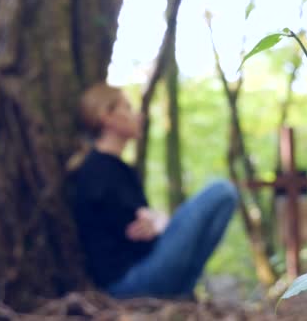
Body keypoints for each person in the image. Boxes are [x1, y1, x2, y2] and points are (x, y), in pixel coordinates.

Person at [66, 82, 239, 300]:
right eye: (127, 108)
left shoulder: (119, 169)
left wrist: (159, 222)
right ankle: (181, 294)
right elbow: (137, 232)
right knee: (221, 191)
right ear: (106, 117)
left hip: (138, 275)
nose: (137, 115)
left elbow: (146, 225)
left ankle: (183, 295)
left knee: (225, 196)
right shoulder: (97, 170)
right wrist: (161, 223)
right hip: (127, 284)